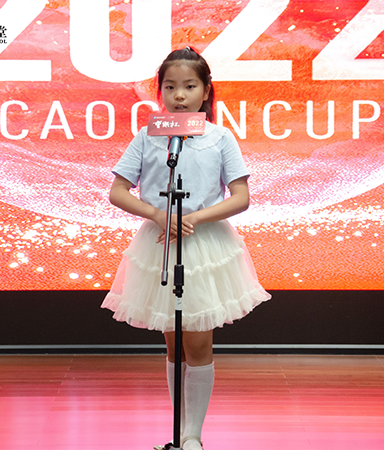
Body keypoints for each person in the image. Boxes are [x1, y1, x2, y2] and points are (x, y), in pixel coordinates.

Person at [101, 47, 271, 450]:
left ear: (206, 91)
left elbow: (241, 196)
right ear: (159, 91)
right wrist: (158, 215)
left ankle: (193, 434)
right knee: (173, 339)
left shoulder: (220, 137)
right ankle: (178, 433)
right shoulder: (148, 136)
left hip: (204, 244)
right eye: (170, 87)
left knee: (197, 340)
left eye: (190, 86)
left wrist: (195, 218)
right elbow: (118, 190)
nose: (179, 96)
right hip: (160, 243)